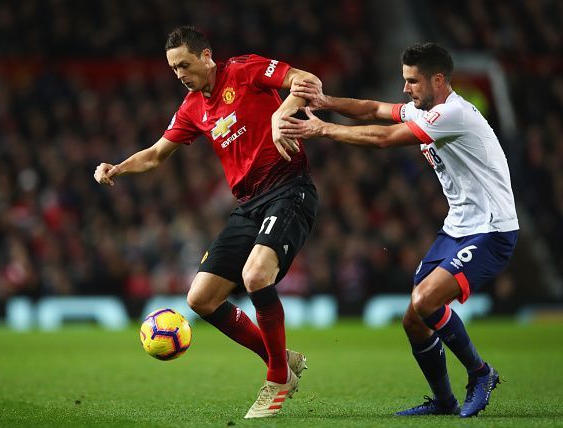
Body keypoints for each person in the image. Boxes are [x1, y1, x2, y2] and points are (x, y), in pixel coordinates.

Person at [281, 42, 519, 418]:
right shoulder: (428, 110)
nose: (405, 88)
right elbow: (375, 109)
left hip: (491, 230)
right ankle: (443, 401)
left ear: (438, 80)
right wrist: (327, 101)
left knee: (425, 301)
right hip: (457, 227)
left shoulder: (451, 114)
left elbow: (383, 138)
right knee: (413, 319)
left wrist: (321, 128)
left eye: (413, 81)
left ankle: (481, 372)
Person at [94, 26, 320, 419]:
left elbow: (308, 81)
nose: (179, 73)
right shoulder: (192, 107)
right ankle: (281, 357)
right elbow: (154, 155)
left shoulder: (245, 70)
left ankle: (278, 375)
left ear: (206, 56)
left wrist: (283, 111)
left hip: (289, 191)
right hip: (249, 205)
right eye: (172, 68)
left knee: (255, 277)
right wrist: (119, 168)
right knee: (200, 299)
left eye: (184, 64)